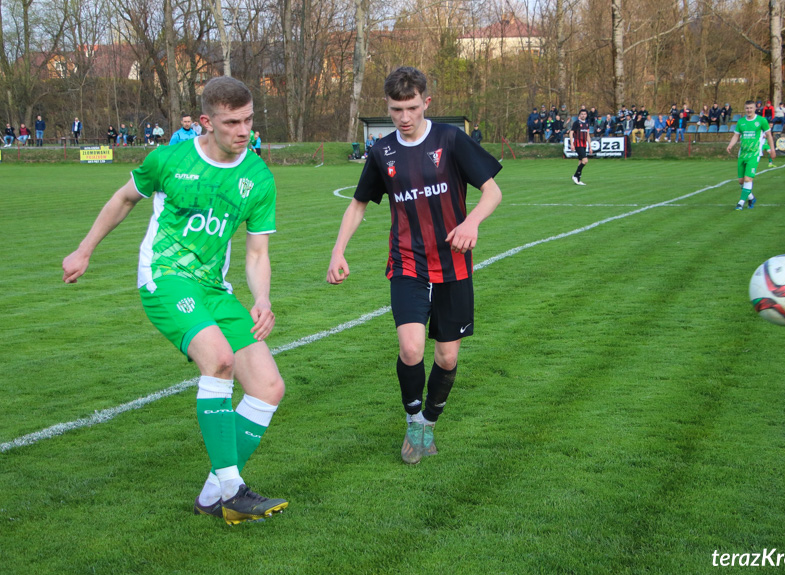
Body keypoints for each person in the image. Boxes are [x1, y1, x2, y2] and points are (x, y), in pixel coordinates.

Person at [61, 76, 288, 525]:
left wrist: (261, 297)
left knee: (267, 387)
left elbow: (257, 251)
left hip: (212, 287)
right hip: (164, 278)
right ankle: (233, 490)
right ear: (207, 121)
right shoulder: (169, 158)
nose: (243, 131)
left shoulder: (257, 177)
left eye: (248, 120)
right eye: (232, 122)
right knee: (219, 361)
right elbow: (124, 198)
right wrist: (84, 250)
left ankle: (212, 495)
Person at [326, 66, 503, 465]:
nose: (403, 118)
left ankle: (429, 421)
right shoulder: (382, 151)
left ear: (426, 102)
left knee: (447, 359)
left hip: (453, 265)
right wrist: (338, 251)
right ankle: (412, 420)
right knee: (410, 348)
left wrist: (471, 221)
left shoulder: (450, 139)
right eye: (395, 110)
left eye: (410, 108)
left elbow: (492, 191)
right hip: (406, 262)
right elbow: (358, 205)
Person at [726, 100, 775, 210]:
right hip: (742, 154)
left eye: (751, 108)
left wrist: (772, 149)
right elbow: (736, 135)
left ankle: (741, 203)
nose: (749, 110)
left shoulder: (761, 121)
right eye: (747, 108)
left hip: (754, 154)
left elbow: (769, 135)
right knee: (741, 182)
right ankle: (751, 198)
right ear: (745, 109)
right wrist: (730, 145)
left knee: (748, 179)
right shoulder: (741, 122)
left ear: (755, 109)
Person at [569, 108, 592, 186]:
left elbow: (588, 135)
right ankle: (575, 176)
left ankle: (578, 180)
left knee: (580, 161)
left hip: (584, 144)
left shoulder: (587, 123)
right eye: (582, 114)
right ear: (579, 115)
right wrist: (572, 143)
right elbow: (571, 133)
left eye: (584, 114)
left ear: (586, 115)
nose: (583, 115)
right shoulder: (576, 123)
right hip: (578, 144)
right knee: (585, 160)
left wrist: (590, 146)